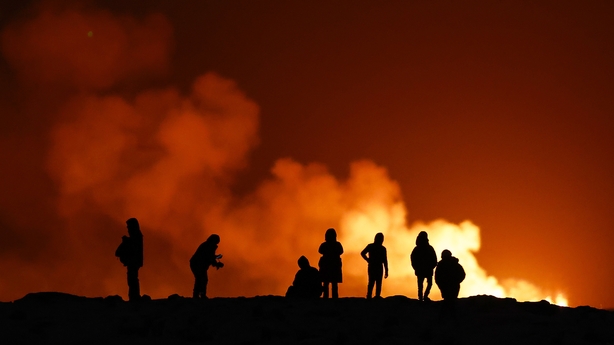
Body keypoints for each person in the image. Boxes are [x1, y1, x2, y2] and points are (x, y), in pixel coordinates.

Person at [115, 218, 144, 302]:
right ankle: (134, 297)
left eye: (128, 227)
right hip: (134, 261)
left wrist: (126, 241)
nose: (128, 229)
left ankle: (134, 297)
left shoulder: (136, 237)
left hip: (133, 261)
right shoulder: (136, 236)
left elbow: (133, 248)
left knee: (132, 279)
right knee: (132, 279)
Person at [190, 234, 224, 299]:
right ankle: (198, 295)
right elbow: (209, 257)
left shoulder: (207, 245)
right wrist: (217, 263)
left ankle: (198, 295)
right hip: (197, 264)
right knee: (201, 279)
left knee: (201, 279)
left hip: (197, 264)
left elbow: (210, 257)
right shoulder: (208, 246)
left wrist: (216, 258)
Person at [435, 249, 466, 317]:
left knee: (451, 301)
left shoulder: (444, 265)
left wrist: (456, 281)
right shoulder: (441, 265)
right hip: (448, 287)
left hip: (452, 286)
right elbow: (437, 278)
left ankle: (449, 317)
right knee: (450, 301)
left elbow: (462, 274)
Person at [410, 231, 438, 301]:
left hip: (426, 270)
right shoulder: (419, 249)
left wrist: (432, 265)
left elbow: (434, 258)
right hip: (422, 270)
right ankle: (422, 297)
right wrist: (416, 267)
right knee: (423, 285)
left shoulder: (422, 248)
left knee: (425, 284)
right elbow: (413, 258)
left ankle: (423, 297)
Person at [360, 232, 388, 299]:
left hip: (374, 266)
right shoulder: (380, 248)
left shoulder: (373, 247)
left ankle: (373, 296)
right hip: (375, 266)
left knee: (375, 282)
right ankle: (372, 296)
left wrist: (386, 270)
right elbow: (362, 253)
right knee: (374, 282)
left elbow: (385, 260)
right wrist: (367, 259)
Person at [318, 228, 344, 298]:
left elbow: (320, 250)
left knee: (326, 283)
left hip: (327, 265)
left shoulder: (324, 245)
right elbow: (341, 251)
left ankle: (326, 297)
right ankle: (334, 297)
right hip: (333, 265)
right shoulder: (337, 244)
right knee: (333, 283)